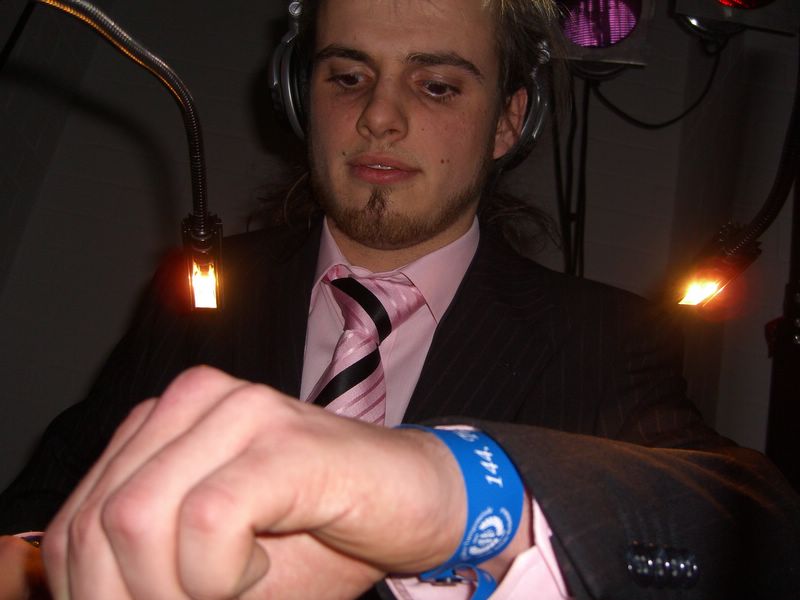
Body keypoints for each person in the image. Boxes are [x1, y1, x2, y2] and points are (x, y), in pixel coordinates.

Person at [1, 0, 799, 598]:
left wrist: (458, 493)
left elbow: (760, 531)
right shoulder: (195, 293)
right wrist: (37, 560)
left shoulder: (606, 334)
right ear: (297, 96)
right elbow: (49, 494)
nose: (379, 117)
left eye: (438, 86)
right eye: (348, 78)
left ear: (508, 121)